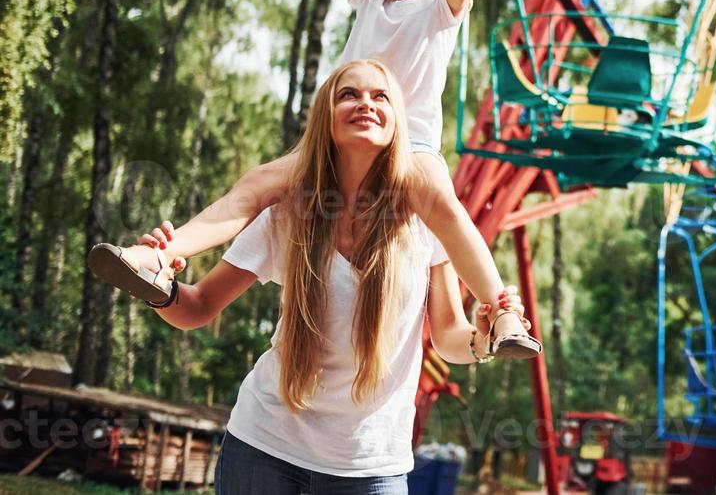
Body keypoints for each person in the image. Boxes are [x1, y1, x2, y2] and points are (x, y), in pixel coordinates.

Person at [88, 0, 554, 358]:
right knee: (258, 183)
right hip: (333, 138)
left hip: (412, 144)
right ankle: (160, 257)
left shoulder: (439, 8)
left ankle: (501, 309)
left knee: (445, 207)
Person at [151, 59, 525, 492]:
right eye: (349, 94)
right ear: (327, 117)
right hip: (265, 448)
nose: (365, 104)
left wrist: (482, 340)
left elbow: (446, 336)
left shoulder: (423, 219)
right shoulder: (288, 212)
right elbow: (196, 307)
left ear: (397, 122)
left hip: (371, 468)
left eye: (379, 96)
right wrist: (159, 287)